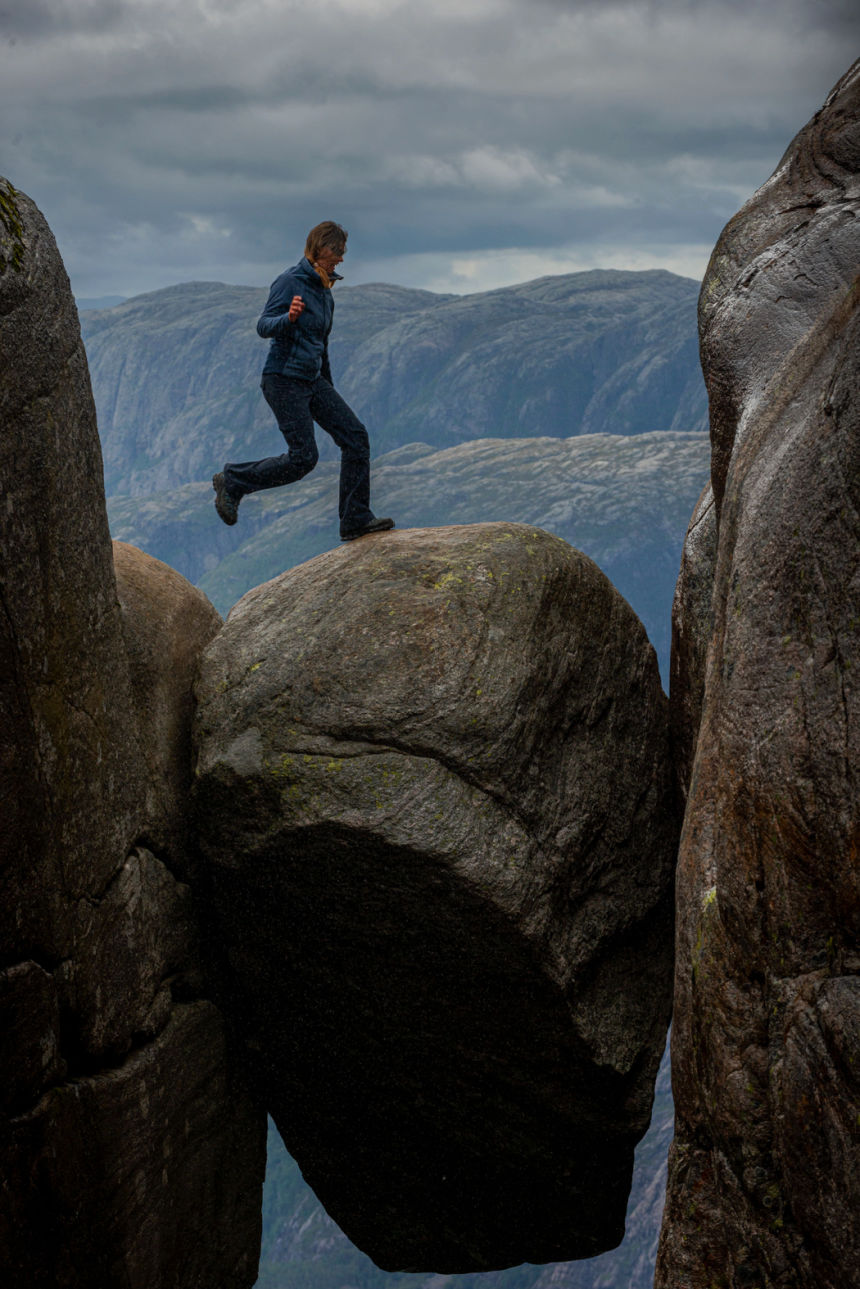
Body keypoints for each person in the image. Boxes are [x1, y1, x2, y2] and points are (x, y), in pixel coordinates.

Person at [212, 221, 394, 541]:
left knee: (356, 437)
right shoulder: (289, 282)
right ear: (317, 248)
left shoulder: (325, 293)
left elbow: (321, 347)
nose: (339, 258)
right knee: (304, 459)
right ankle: (233, 480)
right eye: (335, 251)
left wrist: (330, 391)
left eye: (342, 252)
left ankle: (355, 519)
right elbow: (263, 326)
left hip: (313, 380)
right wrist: (289, 318)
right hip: (283, 378)